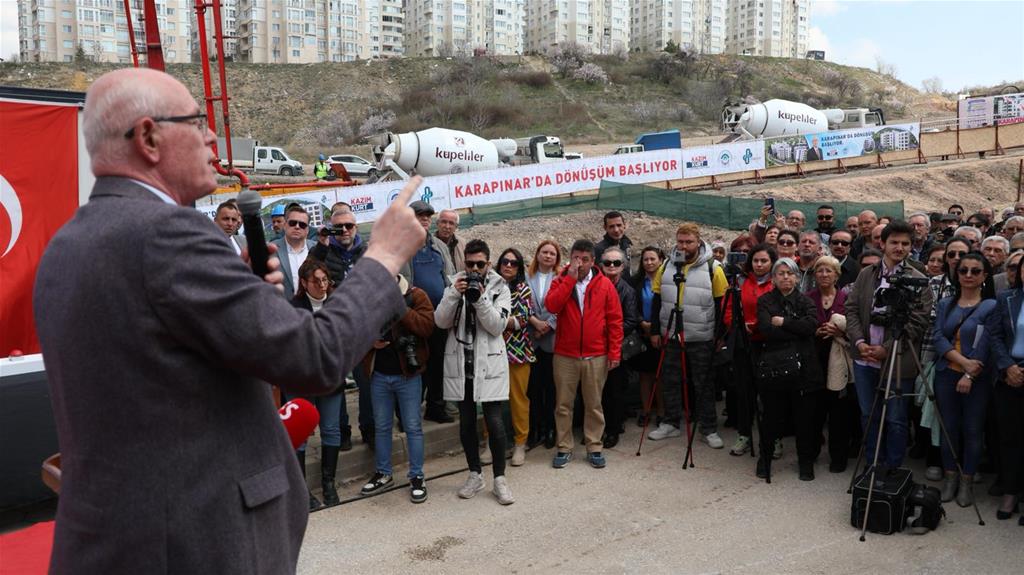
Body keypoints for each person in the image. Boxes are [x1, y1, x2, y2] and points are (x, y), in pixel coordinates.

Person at [32, 68, 425, 574]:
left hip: (118, 539)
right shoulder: (169, 235)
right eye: (197, 123)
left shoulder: (67, 244)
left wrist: (238, 299)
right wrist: (385, 257)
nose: (213, 135)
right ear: (149, 137)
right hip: (196, 545)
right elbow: (317, 358)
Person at [846, 220, 933, 472]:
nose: (899, 247)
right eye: (894, 242)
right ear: (882, 243)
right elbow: (851, 309)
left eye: (905, 243)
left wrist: (887, 347)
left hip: (897, 360)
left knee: (895, 419)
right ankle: (873, 463)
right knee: (868, 414)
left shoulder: (918, 281)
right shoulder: (866, 274)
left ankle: (892, 468)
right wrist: (859, 341)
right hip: (864, 359)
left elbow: (918, 322)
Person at [434, 240, 516, 504]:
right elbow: (440, 321)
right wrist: (453, 295)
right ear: (463, 263)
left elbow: (496, 326)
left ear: (488, 264)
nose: (475, 269)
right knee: (467, 422)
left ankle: (500, 479)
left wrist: (480, 298)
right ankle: (474, 474)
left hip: (489, 364)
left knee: (494, 422)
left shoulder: (500, 287)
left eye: (480, 264)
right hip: (461, 363)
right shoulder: (453, 284)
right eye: (470, 264)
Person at [647, 224, 728, 449]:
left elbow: (722, 303)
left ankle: (708, 428)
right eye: (680, 241)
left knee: (704, 383)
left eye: (688, 242)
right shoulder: (665, 266)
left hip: (701, 336)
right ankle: (671, 423)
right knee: (670, 380)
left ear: (698, 241)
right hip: (671, 334)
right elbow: (656, 299)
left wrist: (719, 335)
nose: (684, 245)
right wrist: (655, 330)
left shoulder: (714, 268)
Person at [546, 239, 624, 469]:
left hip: (596, 355)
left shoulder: (605, 285)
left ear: (593, 261)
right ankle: (564, 446)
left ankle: (594, 445)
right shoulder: (560, 280)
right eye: (576, 259)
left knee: (594, 403)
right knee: (563, 404)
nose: (579, 264)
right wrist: (569, 278)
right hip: (565, 355)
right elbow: (552, 306)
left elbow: (615, 321)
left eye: (584, 260)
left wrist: (614, 352)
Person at [359, 274, 435, 503]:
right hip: (379, 374)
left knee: (413, 427)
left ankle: (417, 476)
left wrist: (400, 306)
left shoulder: (416, 294)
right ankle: (383, 473)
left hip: (408, 375)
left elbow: (427, 327)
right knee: (381, 427)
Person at [933, 252, 997, 506]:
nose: (968, 275)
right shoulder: (945, 304)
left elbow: (988, 342)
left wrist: (970, 372)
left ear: (985, 276)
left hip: (977, 378)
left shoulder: (991, 306)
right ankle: (950, 478)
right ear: (956, 274)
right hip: (946, 374)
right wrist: (962, 363)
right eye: (963, 270)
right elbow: (938, 337)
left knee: (972, 430)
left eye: (975, 271)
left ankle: (967, 481)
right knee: (949, 429)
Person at [309, 202, 375, 448]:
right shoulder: (324, 252)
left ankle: (369, 428)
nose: (345, 230)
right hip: (334, 331)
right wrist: (322, 246)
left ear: (356, 227)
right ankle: (342, 431)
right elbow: (308, 275)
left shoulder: (367, 251)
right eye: (339, 227)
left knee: (366, 383)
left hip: (361, 330)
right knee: (336, 386)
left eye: (349, 226)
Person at [756, 257, 823, 480]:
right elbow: (766, 329)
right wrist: (795, 327)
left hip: (804, 368)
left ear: (796, 277)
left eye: (790, 273)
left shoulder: (806, 302)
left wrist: (783, 322)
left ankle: (805, 463)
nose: (786, 277)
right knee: (771, 418)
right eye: (781, 273)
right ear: (773, 278)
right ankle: (764, 460)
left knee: (804, 419)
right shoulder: (765, 300)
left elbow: (810, 327)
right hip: (774, 366)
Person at [288, 260, 343, 509]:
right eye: (316, 281)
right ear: (303, 283)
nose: (322, 286)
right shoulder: (293, 307)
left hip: (331, 377)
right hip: (302, 380)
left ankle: (328, 483)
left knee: (331, 430)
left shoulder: (336, 304)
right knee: (299, 436)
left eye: (325, 280)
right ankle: (302, 491)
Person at [721, 243, 777, 456]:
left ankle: (774, 437)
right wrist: (736, 324)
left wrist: (761, 325)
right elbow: (727, 309)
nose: (760, 264)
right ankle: (744, 434)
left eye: (764, 261)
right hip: (744, 344)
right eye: (756, 260)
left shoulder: (777, 283)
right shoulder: (740, 282)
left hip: (770, 344)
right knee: (745, 392)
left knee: (770, 394)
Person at [406, 200, 456, 424]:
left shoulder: (438, 246)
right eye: (420, 215)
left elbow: (450, 277)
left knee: (438, 364)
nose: (424, 219)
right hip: (414, 317)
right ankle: (408, 412)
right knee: (414, 365)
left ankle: (435, 407)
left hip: (439, 316)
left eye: (427, 216)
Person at [807, 256, 858, 472]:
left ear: (837, 275)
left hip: (839, 362)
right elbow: (800, 326)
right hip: (814, 361)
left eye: (829, 271)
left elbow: (856, 329)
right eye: (820, 271)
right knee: (813, 413)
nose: (824, 275)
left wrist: (840, 332)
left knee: (839, 414)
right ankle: (810, 453)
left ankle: (838, 457)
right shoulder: (807, 298)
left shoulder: (847, 299)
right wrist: (815, 331)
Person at [989, 259, 1024, 524]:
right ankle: (1011, 492)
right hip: (1010, 377)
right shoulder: (1006, 298)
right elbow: (995, 336)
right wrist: (1007, 366)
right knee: (1010, 438)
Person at [497, 247, 536, 466]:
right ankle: (490, 443)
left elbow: (522, 320)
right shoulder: (488, 286)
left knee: (518, 399)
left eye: (513, 263)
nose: (508, 266)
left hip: (518, 352)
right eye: (505, 261)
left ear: (519, 268)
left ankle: (520, 443)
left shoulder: (523, 289)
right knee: (490, 398)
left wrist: (495, 321)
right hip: (491, 353)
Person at [599, 246, 638, 449]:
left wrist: (607, 329)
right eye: (607, 263)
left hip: (617, 346)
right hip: (595, 347)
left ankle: (613, 429)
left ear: (623, 267)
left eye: (616, 263)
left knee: (615, 390)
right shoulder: (594, 286)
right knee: (596, 390)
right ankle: (598, 427)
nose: (612, 267)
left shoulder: (628, 291)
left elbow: (631, 321)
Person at [526, 240, 561, 449]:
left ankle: (551, 429)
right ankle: (535, 429)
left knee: (552, 389)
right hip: (531, 340)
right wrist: (535, 323)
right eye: (544, 252)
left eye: (552, 254)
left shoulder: (560, 278)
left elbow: (562, 305)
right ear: (538, 254)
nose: (548, 256)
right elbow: (522, 302)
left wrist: (548, 325)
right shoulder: (526, 277)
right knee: (533, 389)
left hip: (551, 340)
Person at [631, 246, 667, 429]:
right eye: (646, 259)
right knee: (645, 375)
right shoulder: (636, 281)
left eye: (653, 259)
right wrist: (641, 323)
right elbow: (631, 306)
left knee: (659, 375)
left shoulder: (667, 281)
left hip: (662, 334)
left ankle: (661, 411)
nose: (649, 262)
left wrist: (657, 328)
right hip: (642, 333)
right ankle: (646, 411)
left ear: (661, 260)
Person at [272, 205, 316, 297]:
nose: (297, 227)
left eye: (302, 224)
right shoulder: (272, 249)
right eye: (292, 223)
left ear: (307, 230)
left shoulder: (316, 248)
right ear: (285, 225)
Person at [594, 211, 634, 280]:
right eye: (611, 226)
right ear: (605, 228)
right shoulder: (599, 250)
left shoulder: (626, 244)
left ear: (624, 225)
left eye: (619, 225)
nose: (616, 230)